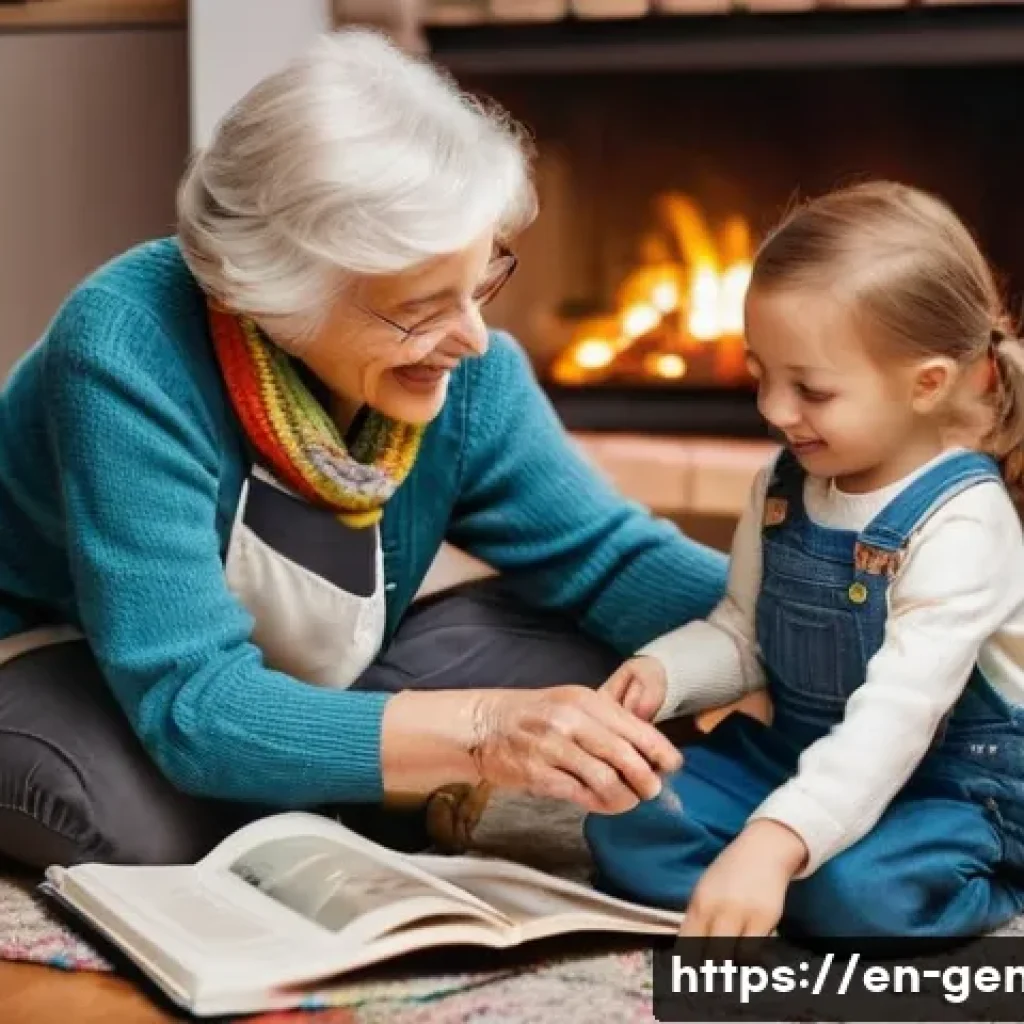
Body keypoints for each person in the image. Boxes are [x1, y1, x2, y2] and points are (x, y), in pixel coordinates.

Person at [0, 28, 728, 871]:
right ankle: (320, 773)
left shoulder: (467, 373)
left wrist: (828, 626)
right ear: (268, 290)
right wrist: (481, 731)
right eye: (420, 309)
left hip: (309, 666)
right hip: (77, 658)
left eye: (481, 283)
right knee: (131, 825)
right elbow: (189, 698)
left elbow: (610, 559)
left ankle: (309, 762)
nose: (473, 338)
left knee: (618, 666)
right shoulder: (128, 347)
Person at [585, 180, 1024, 940]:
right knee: (631, 822)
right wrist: (663, 673)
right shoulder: (784, 486)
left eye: (810, 390)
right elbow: (742, 633)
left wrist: (773, 840)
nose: (773, 410)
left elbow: (897, 718)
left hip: (951, 787)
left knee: (858, 896)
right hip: (801, 754)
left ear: (926, 385)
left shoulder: (965, 521)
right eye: (759, 373)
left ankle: (991, 883)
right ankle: (783, 874)